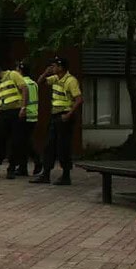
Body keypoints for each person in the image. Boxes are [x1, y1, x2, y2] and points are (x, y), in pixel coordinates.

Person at [30, 56, 83, 185]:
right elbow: (40, 82)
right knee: (49, 145)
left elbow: (79, 99)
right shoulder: (55, 78)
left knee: (63, 146)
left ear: (61, 67)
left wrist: (69, 114)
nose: (52, 68)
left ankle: (66, 175)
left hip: (65, 116)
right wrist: (45, 73)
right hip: (55, 116)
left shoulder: (70, 81)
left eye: (54, 66)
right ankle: (46, 174)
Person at [0, 65, 30, 179]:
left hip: (16, 111)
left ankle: (12, 168)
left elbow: (24, 88)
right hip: (4, 113)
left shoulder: (12, 75)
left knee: (15, 142)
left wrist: (23, 107)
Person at [17, 62, 44, 178]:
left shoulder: (22, 83)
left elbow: (23, 98)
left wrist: (21, 109)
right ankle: (23, 167)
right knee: (24, 141)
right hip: (33, 114)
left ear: (20, 71)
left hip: (25, 115)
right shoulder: (34, 83)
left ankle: (37, 162)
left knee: (25, 142)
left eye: (17, 70)